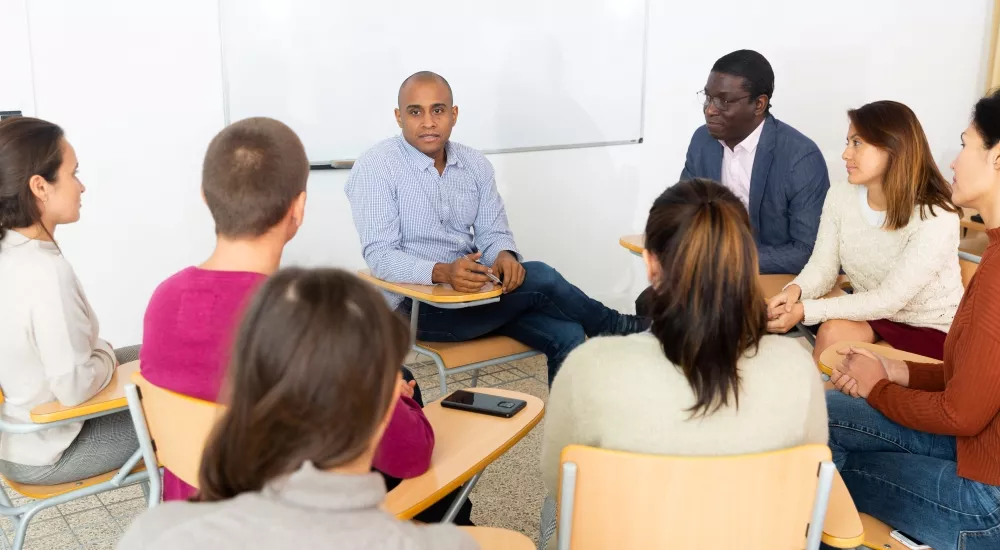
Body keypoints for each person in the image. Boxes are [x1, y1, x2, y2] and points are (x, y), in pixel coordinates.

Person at [139, 117, 434, 502]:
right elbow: (411, 456)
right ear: (299, 207)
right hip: (295, 523)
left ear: (206, 197)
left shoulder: (164, 300)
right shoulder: (316, 319)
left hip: (193, 522)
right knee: (404, 395)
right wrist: (392, 397)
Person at [538, 178, 828, 547]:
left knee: (554, 506)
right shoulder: (798, 369)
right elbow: (811, 483)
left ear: (650, 264)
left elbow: (559, 483)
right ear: (747, 264)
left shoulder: (590, 367)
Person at [118, 268, 476, 550]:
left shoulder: (152, 534)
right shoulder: (446, 545)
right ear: (383, 412)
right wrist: (403, 400)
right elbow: (412, 454)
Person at [345, 71, 646, 384]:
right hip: (419, 310)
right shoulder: (376, 167)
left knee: (567, 333)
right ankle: (615, 325)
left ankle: (565, 430)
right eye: (415, 112)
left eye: (438, 110)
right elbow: (380, 256)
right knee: (540, 275)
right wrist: (443, 272)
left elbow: (492, 231)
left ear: (453, 114)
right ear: (398, 117)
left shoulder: (474, 164)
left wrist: (503, 255)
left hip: (478, 298)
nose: (428, 122)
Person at [825, 90, 1000, 550]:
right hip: (977, 446)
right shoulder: (996, 254)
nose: (955, 161)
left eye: (965, 144)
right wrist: (896, 371)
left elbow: (962, 412)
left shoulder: (998, 274)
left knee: (823, 471)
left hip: (986, 496)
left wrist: (879, 389)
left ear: (998, 158)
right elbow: (978, 383)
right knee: (822, 415)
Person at [634, 49, 830, 316]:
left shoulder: (799, 157)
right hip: (712, 275)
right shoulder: (702, 141)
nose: (710, 109)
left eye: (724, 101)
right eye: (708, 97)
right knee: (649, 301)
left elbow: (807, 250)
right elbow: (682, 213)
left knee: (696, 316)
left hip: (771, 280)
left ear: (759, 104)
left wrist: (726, 260)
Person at [767, 101, 962, 361]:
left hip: (931, 329)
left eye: (857, 143)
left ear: (894, 148)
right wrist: (794, 292)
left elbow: (890, 299)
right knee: (832, 332)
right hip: (874, 315)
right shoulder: (840, 194)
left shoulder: (936, 214)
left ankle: (820, 400)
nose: (846, 154)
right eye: (848, 142)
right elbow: (823, 267)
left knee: (844, 350)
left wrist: (804, 311)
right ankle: (815, 401)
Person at [0, 117, 138, 484]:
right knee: (175, 412)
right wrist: (105, 354)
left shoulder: (9, 254)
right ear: (40, 186)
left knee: (155, 353)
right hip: (50, 448)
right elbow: (73, 386)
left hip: (15, 436)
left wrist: (101, 355)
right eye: (73, 173)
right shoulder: (45, 272)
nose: (82, 186)